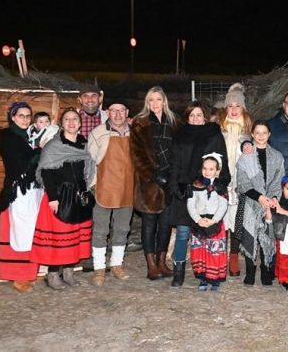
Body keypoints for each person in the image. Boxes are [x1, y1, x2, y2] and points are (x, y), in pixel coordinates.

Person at [31, 108, 95, 290]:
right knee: (58, 240)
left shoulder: (85, 145)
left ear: (80, 123)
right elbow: (46, 172)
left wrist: (88, 190)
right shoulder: (54, 146)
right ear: (62, 123)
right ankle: (52, 274)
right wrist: (53, 197)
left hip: (78, 197)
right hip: (59, 197)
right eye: (67, 119)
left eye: (75, 119)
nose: (71, 122)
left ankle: (68, 272)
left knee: (74, 237)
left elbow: (89, 170)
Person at [169, 102, 229, 287]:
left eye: (199, 115)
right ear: (187, 117)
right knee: (183, 233)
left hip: (206, 191)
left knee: (208, 235)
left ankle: (209, 271)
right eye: (191, 115)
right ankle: (178, 271)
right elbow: (175, 163)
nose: (195, 119)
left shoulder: (213, 134)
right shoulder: (180, 135)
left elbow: (222, 161)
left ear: (205, 117)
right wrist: (176, 186)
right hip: (185, 189)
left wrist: (220, 183)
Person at [130, 86, 178, 280]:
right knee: (150, 224)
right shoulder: (139, 123)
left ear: (164, 101)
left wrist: (174, 175)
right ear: (147, 103)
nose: (155, 103)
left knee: (165, 224)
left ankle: (161, 262)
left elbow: (179, 150)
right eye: (151, 100)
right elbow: (137, 154)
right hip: (149, 182)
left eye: (159, 99)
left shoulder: (175, 123)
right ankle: (151, 266)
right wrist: (153, 174)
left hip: (170, 180)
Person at [86, 100, 135, 286]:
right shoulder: (98, 133)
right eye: (113, 111)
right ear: (108, 112)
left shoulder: (135, 133)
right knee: (100, 231)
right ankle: (99, 268)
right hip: (104, 187)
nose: (118, 115)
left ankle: (116, 264)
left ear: (127, 112)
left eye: (121, 110)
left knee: (122, 229)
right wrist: (93, 185)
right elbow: (89, 162)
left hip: (128, 187)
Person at [0, 102, 43, 293]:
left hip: (32, 189)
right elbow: (19, 163)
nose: (24, 119)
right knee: (20, 233)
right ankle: (18, 276)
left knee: (31, 231)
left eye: (27, 116)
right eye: (20, 115)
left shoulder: (29, 136)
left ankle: (30, 271)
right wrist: (40, 150)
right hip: (19, 190)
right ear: (13, 117)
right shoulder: (8, 137)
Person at [237, 120, 284, 286]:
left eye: (264, 133)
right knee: (251, 236)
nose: (261, 136)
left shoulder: (277, 156)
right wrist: (259, 198)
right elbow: (242, 183)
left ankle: (266, 269)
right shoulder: (246, 156)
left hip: (269, 203)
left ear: (269, 134)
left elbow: (278, 182)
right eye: (257, 133)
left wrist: (272, 200)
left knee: (267, 237)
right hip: (251, 202)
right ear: (252, 134)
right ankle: (250, 270)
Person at [218, 83, 253, 277]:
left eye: (237, 106)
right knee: (222, 220)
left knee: (236, 221)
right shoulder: (218, 129)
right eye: (230, 106)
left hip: (240, 183)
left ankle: (233, 257)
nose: (233, 110)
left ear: (243, 108)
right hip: (223, 181)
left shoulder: (248, 132)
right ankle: (220, 256)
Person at [186, 154, 229, 291]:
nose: (207, 171)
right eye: (205, 168)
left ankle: (215, 279)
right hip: (199, 221)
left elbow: (223, 205)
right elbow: (191, 204)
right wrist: (198, 219)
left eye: (211, 169)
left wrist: (214, 220)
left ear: (217, 171)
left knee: (214, 251)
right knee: (201, 251)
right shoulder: (196, 184)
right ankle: (203, 278)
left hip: (214, 221)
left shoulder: (221, 186)